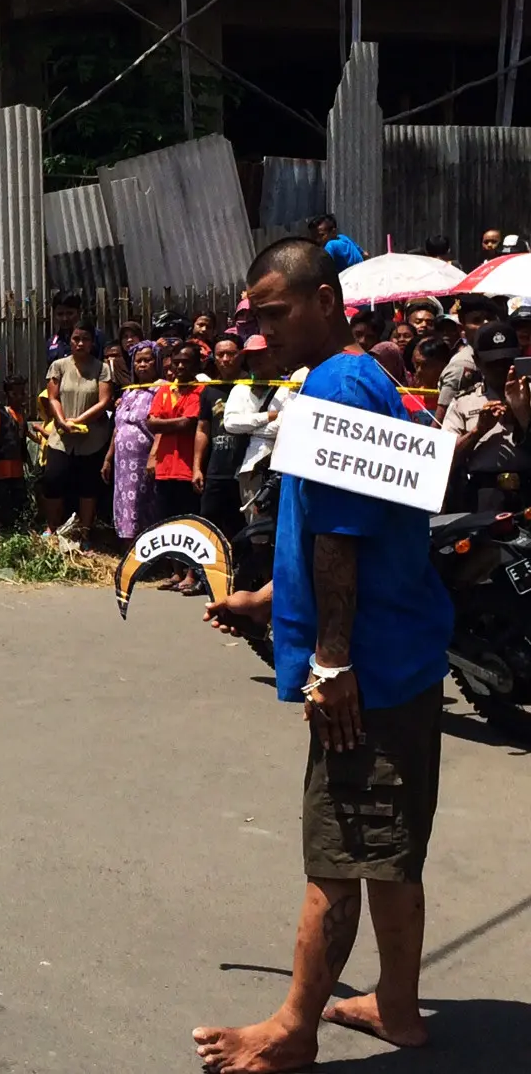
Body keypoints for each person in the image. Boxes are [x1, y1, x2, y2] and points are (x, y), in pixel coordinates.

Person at [195, 238, 452, 1074]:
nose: (261, 333)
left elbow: (343, 537)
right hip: (402, 651)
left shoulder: (338, 387)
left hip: (368, 668)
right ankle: (400, 1009)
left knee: (340, 851)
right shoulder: (367, 376)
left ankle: (292, 1031)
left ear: (325, 299)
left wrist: (331, 660)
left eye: (276, 313)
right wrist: (268, 601)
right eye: (254, 317)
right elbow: (357, 524)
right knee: (388, 847)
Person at [443, 320, 531, 513]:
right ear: (477, 361)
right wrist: (478, 430)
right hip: (483, 494)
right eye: (493, 364)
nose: (501, 370)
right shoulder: (464, 401)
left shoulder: (529, 393)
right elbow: (445, 458)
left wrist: (523, 416)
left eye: (507, 362)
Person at [41, 322, 113, 549]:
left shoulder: (102, 368)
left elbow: (104, 401)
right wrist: (62, 421)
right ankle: (52, 528)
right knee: (52, 479)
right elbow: (53, 397)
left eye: (85, 339)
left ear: (92, 342)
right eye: (75, 339)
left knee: (88, 486)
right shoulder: (58, 366)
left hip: (92, 437)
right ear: (69, 341)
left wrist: (79, 421)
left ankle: (84, 533)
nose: (80, 343)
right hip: (61, 435)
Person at [147, 344, 202, 591]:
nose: (180, 366)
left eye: (186, 362)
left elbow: (189, 424)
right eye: (176, 361)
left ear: (196, 364)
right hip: (165, 467)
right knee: (168, 521)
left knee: (191, 521)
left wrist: (164, 423)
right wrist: (171, 423)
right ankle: (176, 572)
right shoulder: (164, 391)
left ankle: (192, 573)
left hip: (188, 467)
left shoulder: (201, 391)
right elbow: (151, 423)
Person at [222, 335, 292, 518]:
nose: (255, 361)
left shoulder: (289, 387)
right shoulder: (240, 389)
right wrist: (266, 417)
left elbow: (286, 425)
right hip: (249, 468)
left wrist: (250, 428)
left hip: (280, 467)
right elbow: (230, 423)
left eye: (261, 354)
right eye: (251, 356)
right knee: (255, 531)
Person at [102, 342, 163, 540]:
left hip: (144, 460)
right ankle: (128, 551)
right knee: (125, 504)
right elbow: (118, 428)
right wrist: (108, 458)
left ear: (157, 362)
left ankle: (147, 554)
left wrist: (154, 456)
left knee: (142, 504)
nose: (142, 365)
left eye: (148, 360)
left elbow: (161, 426)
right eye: (138, 361)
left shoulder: (161, 389)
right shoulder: (129, 391)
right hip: (122, 463)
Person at [193, 334, 247, 539]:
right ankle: (196, 570)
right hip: (216, 470)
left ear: (241, 355)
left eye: (231, 354)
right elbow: (202, 429)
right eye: (220, 354)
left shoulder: (254, 384)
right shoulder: (210, 391)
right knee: (207, 522)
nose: (225, 359)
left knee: (243, 526)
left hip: (246, 470)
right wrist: (197, 467)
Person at [436, 294, 498, 417]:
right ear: (461, 329)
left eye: (490, 318)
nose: (486, 324)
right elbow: (441, 418)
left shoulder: (500, 355)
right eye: (477, 321)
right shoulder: (462, 365)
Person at [0, 377, 29, 533]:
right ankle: (3, 528)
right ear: (7, 395)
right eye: (14, 394)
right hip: (1, 466)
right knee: (2, 499)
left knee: (18, 499)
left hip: (17, 466)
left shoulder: (21, 414)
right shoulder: (0, 414)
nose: (19, 397)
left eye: (22, 394)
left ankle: (17, 527)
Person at [44, 292, 104, 362]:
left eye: (70, 313)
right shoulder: (52, 342)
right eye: (60, 314)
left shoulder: (96, 337)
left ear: (79, 312)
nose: (65, 318)